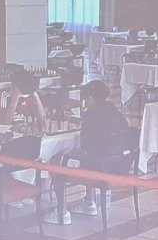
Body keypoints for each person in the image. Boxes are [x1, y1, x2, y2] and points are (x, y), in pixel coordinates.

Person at [42, 80, 129, 224]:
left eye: (85, 99)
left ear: (90, 98)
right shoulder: (115, 112)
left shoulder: (91, 114)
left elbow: (85, 145)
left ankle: (61, 212)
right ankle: (89, 202)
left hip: (102, 167)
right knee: (90, 154)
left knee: (56, 160)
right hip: (120, 164)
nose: (84, 103)